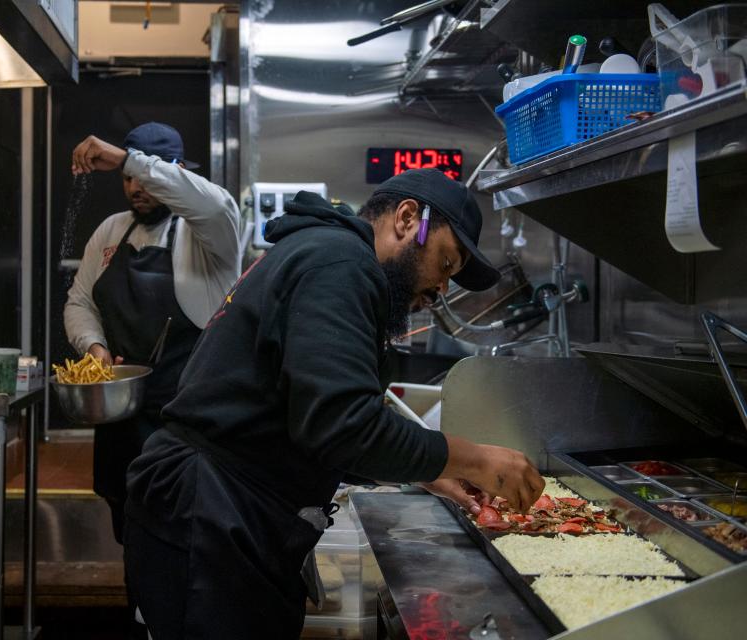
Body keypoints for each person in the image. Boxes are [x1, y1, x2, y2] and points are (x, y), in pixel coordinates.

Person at [123, 168, 545, 639]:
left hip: (221, 510)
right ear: (407, 219)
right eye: (446, 264)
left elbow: (313, 421)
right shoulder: (341, 262)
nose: (442, 289)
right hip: (210, 515)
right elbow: (344, 425)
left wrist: (431, 471)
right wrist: (479, 459)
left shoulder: (323, 253)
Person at [64, 122, 241, 544]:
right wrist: (95, 347)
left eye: (145, 176)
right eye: (128, 179)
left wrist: (132, 162)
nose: (136, 187)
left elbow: (215, 205)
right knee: (129, 531)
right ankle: (137, 609)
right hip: (121, 419)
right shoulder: (110, 231)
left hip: (186, 424)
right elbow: (80, 302)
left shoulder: (210, 234)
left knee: (179, 541)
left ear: (177, 173)